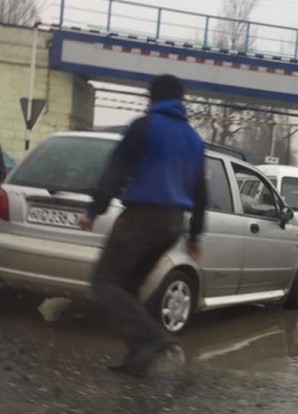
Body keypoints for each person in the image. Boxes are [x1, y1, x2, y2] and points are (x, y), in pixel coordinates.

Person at [78, 74, 207, 375]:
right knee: (129, 286)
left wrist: (93, 210)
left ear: (151, 99)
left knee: (105, 282)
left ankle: (154, 338)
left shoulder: (144, 127)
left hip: (141, 218)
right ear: (182, 100)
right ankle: (139, 357)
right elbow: (201, 192)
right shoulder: (193, 139)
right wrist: (196, 235)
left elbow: (116, 171)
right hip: (173, 225)